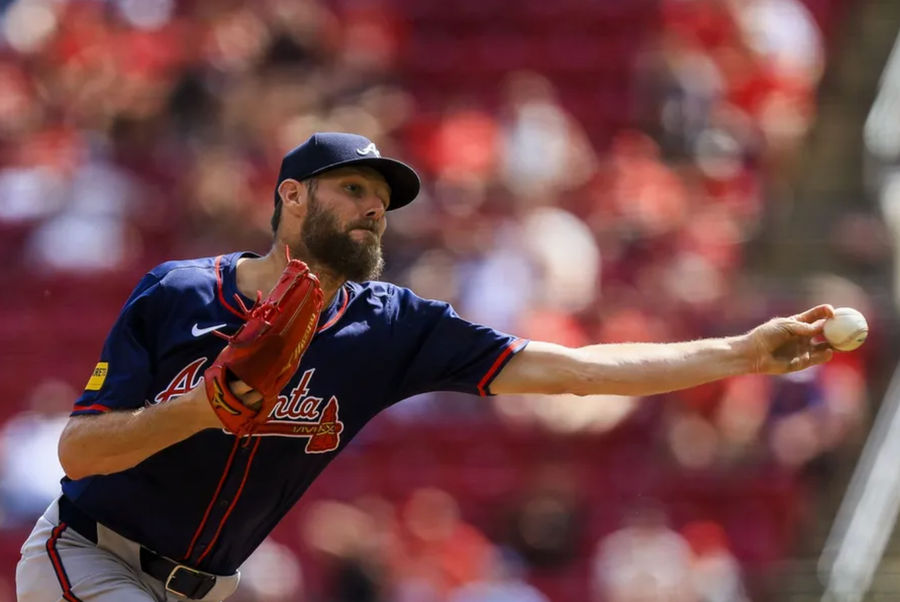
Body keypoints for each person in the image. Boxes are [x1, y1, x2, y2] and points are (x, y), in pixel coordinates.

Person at [16, 132, 835, 601]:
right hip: (90, 556)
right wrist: (199, 408)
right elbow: (79, 455)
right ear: (292, 197)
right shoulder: (182, 292)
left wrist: (739, 352)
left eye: (384, 198)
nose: (376, 208)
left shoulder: (390, 326)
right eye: (354, 190)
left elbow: (575, 371)